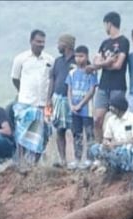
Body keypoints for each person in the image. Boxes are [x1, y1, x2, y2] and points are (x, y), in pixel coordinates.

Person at [11, 29, 54, 164]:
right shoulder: (20, 59)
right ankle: (22, 162)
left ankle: (34, 163)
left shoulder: (50, 60)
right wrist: (23, 92)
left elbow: (52, 79)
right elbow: (15, 78)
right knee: (23, 133)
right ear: (31, 41)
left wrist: (48, 99)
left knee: (46, 131)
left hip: (45, 104)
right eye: (38, 41)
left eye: (43, 42)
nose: (41, 44)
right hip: (25, 103)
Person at [92, 11, 129, 141]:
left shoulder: (124, 41)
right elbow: (95, 62)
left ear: (109, 24)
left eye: (105, 25)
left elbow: (118, 65)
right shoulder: (104, 43)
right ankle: (99, 149)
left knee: (116, 118)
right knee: (97, 119)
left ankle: (116, 148)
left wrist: (102, 64)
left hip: (117, 86)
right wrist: (106, 62)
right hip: (103, 86)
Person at [88, 90, 133, 173]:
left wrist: (117, 144)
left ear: (119, 107)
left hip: (128, 149)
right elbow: (106, 138)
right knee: (94, 148)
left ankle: (125, 172)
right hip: (114, 148)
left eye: (112, 107)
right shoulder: (111, 120)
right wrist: (106, 144)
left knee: (126, 151)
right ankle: (103, 165)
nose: (110, 109)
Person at [66, 46, 97, 169]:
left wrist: (80, 104)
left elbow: (92, 90)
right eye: (77, 56)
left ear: (87, 56)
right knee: (76, 134)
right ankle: (77, 159)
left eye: (81, 56)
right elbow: (69, 90)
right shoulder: (72, 72)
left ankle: (90, 159)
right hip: (74, 110)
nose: (78, 59)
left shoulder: (91, 72)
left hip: (86, 109)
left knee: (89, 133)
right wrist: (71, 105)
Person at [49, 34, 76, 168]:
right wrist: (49, 98)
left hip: (73, 100)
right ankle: (63, 160)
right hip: (58, 98)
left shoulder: (78, 59)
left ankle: (76, 160)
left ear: (66, 44)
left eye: (59, 43)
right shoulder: (58, 61)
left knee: (74, 129)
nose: (57, 45)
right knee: (60, 130)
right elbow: (52, 79)